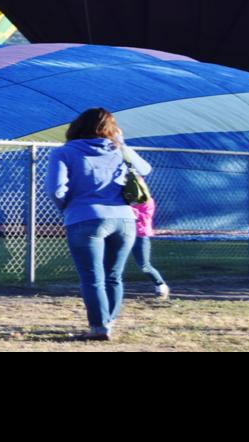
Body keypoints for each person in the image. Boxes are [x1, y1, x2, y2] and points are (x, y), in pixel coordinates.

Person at [49, 108, 151, 341]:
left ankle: (99, 327)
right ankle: (108, 321)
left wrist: (67, 206)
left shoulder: (64, 153)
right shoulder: (119, 150)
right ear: (110, 128)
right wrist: (122, 144)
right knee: (114, 276)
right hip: (125, 219)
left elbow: (55, 189)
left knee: (92, 277)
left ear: (76, 126)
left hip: (83, 217)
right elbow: (145, 169)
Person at [120, 140, 170, 300]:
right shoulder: (124, 199)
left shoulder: (146, 202)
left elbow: (140, 216)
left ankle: (160, 284)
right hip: (124, 233)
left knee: (144, 265)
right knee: (115, 262)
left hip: (140, 235)